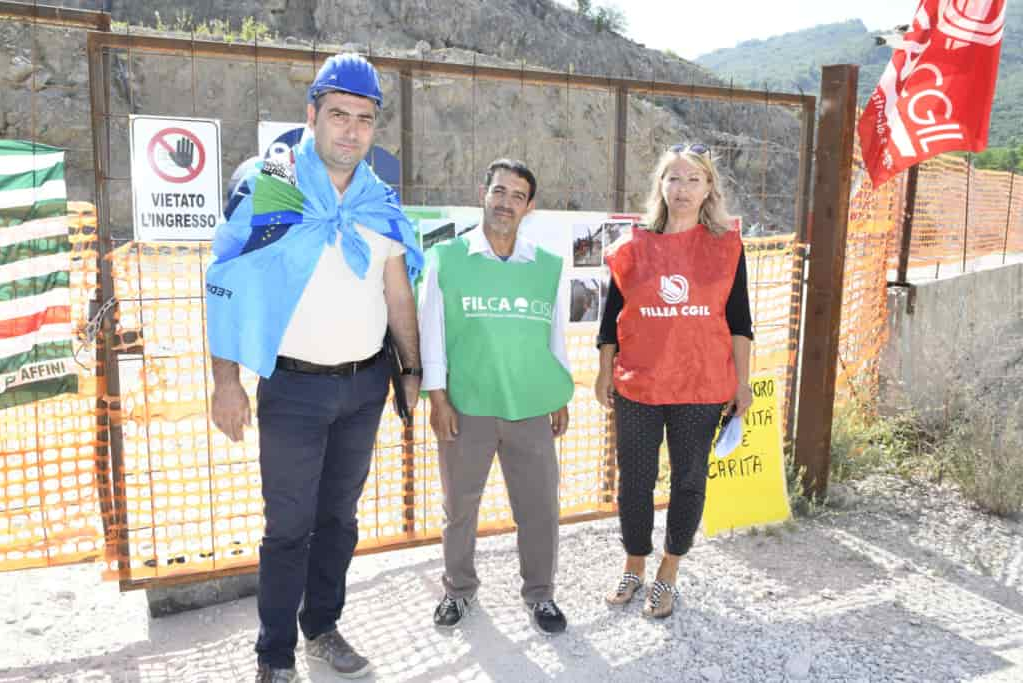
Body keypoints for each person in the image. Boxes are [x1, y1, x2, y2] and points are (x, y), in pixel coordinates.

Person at [204, 54, 424, 683]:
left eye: (364, 119)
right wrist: (225, 381)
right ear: (311, 115)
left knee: (340, 521)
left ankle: (322, 626)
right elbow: (229, 280)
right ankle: (274, 655)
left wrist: (410, 368)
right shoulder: (273, 181)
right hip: (294, 388)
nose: (351, 132)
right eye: (338, 116)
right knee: (288, 527)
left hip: (363, 387)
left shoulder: (378, 197)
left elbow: (397, 290)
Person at [595, 143, 753, 619]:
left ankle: (668, 572)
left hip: (701, 387)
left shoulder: (726, 247)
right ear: (660, 186)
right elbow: (610, 319)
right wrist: (605, 370)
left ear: (709, 189)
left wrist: (741, 383)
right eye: (674, 178)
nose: (682, 189)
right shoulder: (632, 247)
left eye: (693, 180)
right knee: (635, 482)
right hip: (639, 385)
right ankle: (634, 565)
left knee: (688, 482)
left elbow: (740, 321)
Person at [418, 159, 574, 634]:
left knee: (540, 506)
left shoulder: (546, 266)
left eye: (517, 196)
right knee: (460, 506)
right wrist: (438, 398)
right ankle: (459, 590)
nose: (506, 203)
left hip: (528, 405)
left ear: (529, 206)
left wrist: (558, 394)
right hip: (467, 407)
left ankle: (540, 594)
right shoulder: (447, 258)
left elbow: (555, 336)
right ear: (483, 193)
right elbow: (433, 334)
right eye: (499, 191)